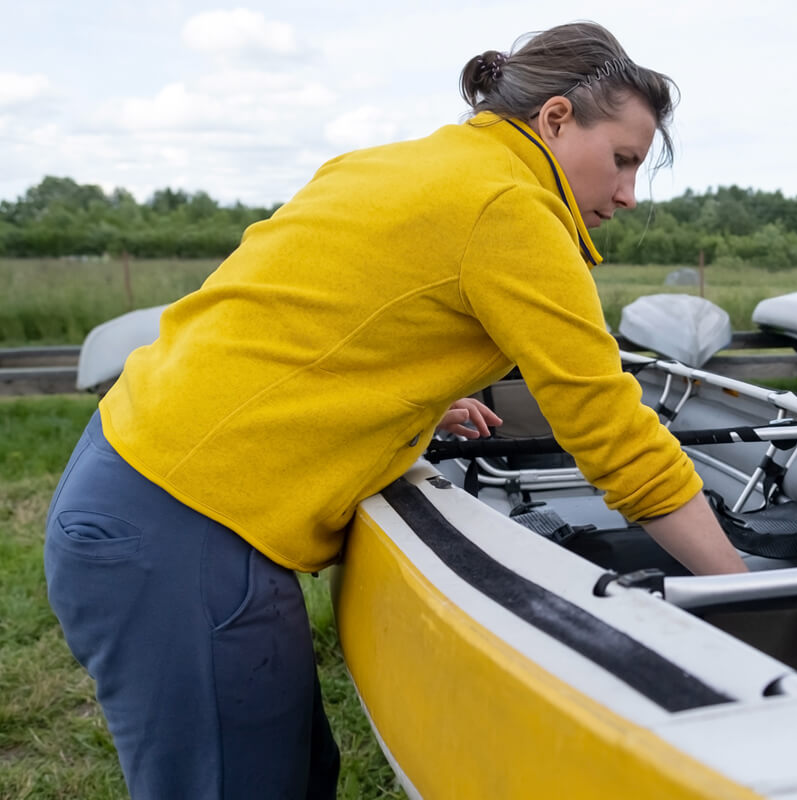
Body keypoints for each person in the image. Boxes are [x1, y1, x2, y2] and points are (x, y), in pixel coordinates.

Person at [44, 21, 747, 799]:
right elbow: (609, 428)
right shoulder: (511, 207)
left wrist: (402, 399)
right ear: (553, 119)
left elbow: (298, 309)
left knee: (290, 776)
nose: (628, 194)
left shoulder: (407, 163)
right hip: (186, 528)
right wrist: (741, 594)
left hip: (131, 479)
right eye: (622, 160)